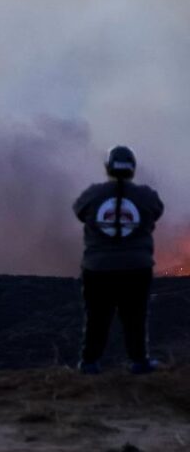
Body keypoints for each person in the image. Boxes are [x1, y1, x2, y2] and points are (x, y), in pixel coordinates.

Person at [73, 146, 164, 374]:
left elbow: (79, 211)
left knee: (96, 317)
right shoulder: (146, 196)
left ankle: (90, 363)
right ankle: (139, 362)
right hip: (136, 268)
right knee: (135, 316)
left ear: (108, 168)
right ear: (133, 169)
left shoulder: (93, 195)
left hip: (98, 269)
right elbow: (157, 210)